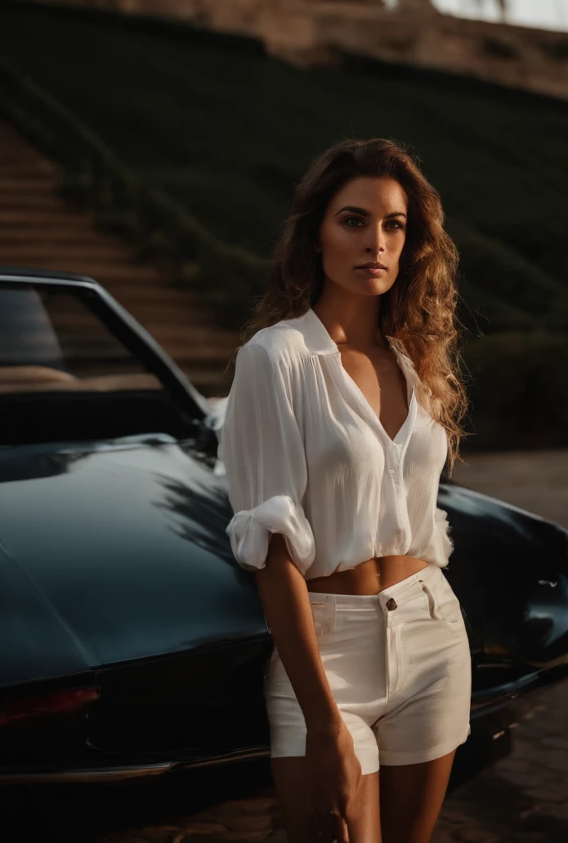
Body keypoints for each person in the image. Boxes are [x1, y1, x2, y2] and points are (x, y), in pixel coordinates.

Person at [219, 137, 473, 843]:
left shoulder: (414, 357)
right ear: (316, 233)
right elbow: (271, 552)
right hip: (326, 654)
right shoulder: (277, 358)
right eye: (354, 220)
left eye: (394, 225)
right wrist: (326, 720)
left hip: (432, 634)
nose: (377, 242)